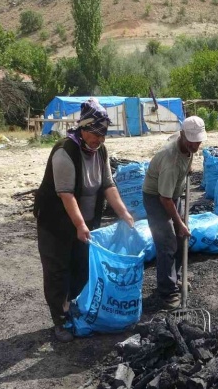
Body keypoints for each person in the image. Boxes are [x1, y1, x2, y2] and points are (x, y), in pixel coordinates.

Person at [33, 98, 134, 343]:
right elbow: (66, 194)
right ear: (84, 128)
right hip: (56, 223)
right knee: (58, 271)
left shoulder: (100, 152)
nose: (100, 139)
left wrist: (125, 214)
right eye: (96, 134)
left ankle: (74, 310)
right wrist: (79, 225)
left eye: (104, 134)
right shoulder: (64, 151)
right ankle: (60, 319)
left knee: (81, 267)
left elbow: (108, 185)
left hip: (85, 222)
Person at [142, 116, 207, 310]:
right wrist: (179, 223)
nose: (196, 145)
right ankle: (167, 292)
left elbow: (186, 152)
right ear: (182, 135)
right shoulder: (171, 160)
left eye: (198, 141)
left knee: (180, 240)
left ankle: (174, 278)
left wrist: (187, 168)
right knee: (167, 243)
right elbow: (164, 199)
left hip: (171, 194)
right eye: (192, 141)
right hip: (156, 197)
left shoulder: (186, 145)